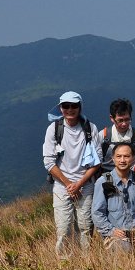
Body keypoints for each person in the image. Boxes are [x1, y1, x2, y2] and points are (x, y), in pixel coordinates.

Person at [42, 91, 101, 255]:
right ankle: (65, 267)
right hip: (63, 187)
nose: (70, 109)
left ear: (80, 107)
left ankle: (86, 264)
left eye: (74, 106)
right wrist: (70, 185)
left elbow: (97, 161)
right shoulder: (54, 129)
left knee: (85, 227)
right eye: (66, 106)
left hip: (85, 186)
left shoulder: (90, 128)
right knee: (64, 229)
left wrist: (79, 184)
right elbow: (48, 162)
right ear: (60, 108)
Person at [92, 143, 135, 252]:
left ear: (133, 158)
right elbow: (97, 213)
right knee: (125, 249)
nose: (122, 160)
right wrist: (112, 231)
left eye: (126, 156)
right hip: (114, 235)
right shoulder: (105, 181)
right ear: (113, 159)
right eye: (119, 156)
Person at [95, 98, 135, 176]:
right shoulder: (103, 136)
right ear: (112, 118)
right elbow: (95, 162)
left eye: (127, 119)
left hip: (131, 178)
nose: (124, 124)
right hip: (107, 178)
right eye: (120, 120)